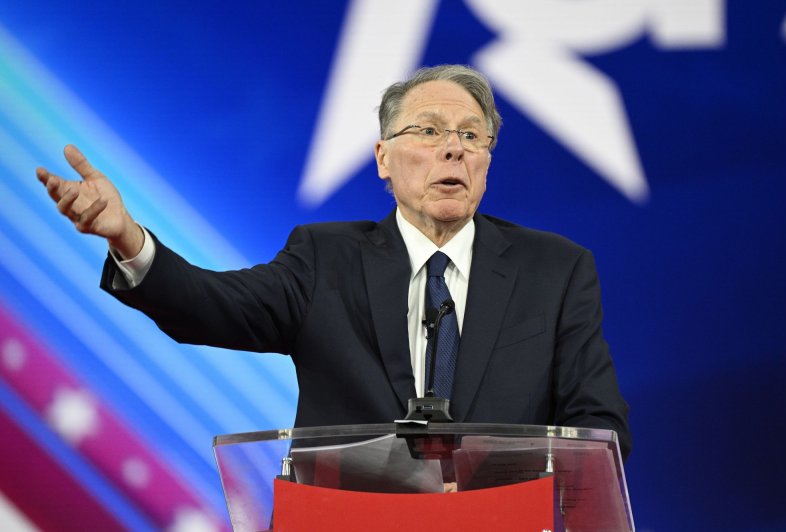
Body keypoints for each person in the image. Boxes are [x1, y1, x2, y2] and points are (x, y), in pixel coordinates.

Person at [37, 64, 631, 460]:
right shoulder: (326, 258)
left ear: (486, 160)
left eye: (472, 137)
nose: (454, 147)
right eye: (429, 130)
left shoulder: (555, 270)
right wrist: (128, 238)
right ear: (382, 158)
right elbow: (208, 307)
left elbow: (600, 430)